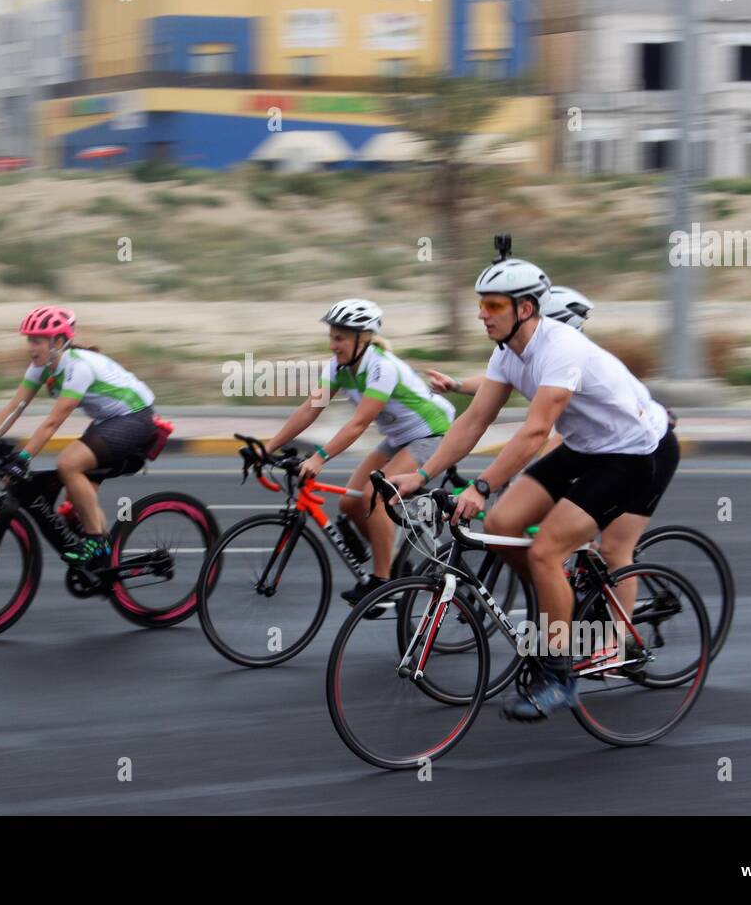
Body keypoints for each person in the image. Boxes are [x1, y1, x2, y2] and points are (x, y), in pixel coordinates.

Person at [389, 263, 679, 721]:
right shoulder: (507, 352)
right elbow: (473, 421)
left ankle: (558, 674)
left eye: (493, 305)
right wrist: (422, 475)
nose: (482, 314)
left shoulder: (560, 348)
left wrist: (483, 486)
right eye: (480, 304)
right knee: (503, 523)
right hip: (588, 448)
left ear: (525, 308)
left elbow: (534, 431)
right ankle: (554, 613)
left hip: (634, 452)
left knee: (546, 550)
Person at [265, 298, 455, 605]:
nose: (333, 345)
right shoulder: (340, 366)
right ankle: (396, 565)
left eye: (339, 338)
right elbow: (310, 408)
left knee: (373, 497)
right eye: (332, 336)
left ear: (361, 338)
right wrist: (268, 448)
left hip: (431, 433)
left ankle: (383, 586)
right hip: (398, 437)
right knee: (351, 502)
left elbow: (359, 423)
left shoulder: (382, 368)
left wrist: (319, 457)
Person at [0, 306, 158, 569]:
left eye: (37, 340)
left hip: (136, 418)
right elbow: (14, 408)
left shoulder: (79, 367)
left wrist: (24, 458)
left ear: (58, 342)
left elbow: (53, 422)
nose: (30, 346)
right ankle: (106, 564)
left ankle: (96, 541)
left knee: (69, 463)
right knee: (77, 503)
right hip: (108, 422)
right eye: (29, 339)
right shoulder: (41, 366)